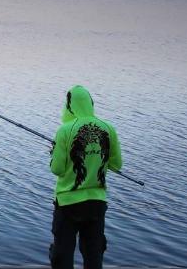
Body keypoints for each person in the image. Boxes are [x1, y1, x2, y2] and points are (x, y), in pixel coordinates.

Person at [49, 85, 122, 269]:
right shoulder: (108, 128)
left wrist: (54, 153)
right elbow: (116, 165)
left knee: (62, 258)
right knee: (93, 257)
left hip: (67, 204)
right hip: (96, 204)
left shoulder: (64, 130)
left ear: (70, 105)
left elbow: (57, 169)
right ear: (90, 103)